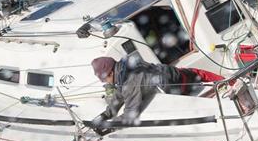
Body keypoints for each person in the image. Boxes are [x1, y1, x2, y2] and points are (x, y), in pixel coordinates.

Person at [90, 55, 223, 130]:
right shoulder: (126, 68)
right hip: (183, 74)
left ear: (111, 72)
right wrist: (104, 115)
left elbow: (130, 115)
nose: (106, 82)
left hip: (183, 87)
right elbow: (120, 94)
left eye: (104, 78)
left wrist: (109, 125)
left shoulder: (130, 82)